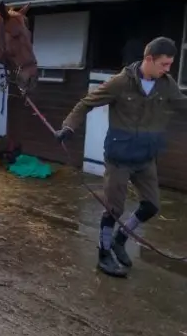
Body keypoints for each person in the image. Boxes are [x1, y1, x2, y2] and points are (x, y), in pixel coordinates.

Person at [54, 36, 187, 278]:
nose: (168, 70)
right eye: (164, 65)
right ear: (149, 59)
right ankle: (104, 254)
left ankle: (120, 239)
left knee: (152, 206)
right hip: (119, 157)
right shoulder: (120, 83)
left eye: (170, 65)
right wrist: (68, 127)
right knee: (113, 208)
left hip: (146, 158)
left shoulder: (166, 85)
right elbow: (86, 103)